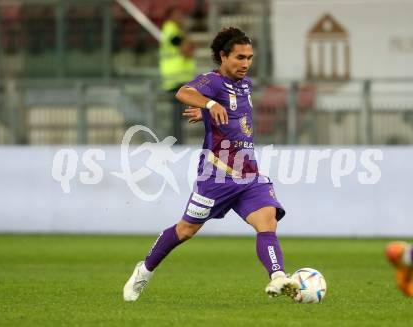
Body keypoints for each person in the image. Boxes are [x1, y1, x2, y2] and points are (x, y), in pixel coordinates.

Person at [124, 27, 299, 302]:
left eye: (249, 58)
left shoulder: (246, 85)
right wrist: (206, 106)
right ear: (223, 56)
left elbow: (231, 116)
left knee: (267, 222)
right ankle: (144, 271)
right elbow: (183, 92)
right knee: (186, 230)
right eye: (240, 57)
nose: (246, 64)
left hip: (248, 172)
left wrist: (207, 114)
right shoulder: (213, 81)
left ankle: (278, 277)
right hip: (216, 176)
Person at [159, 7, 196, 145]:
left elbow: (190, 47)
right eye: (178, 14)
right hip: (175, 79)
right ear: (170, 17)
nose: (181, 17)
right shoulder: (170, 29)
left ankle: (177, 141)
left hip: (180, 79)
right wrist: (188, 42)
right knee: (177, 115)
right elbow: (187, 48)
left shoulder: (176, 30)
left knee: (180, 115)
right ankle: (177, 142)